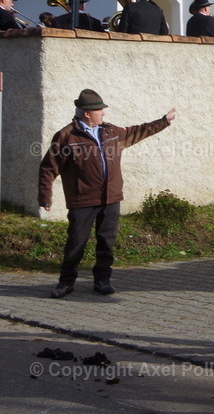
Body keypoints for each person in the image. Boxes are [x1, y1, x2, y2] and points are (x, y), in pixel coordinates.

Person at [38, 89, 176, 298]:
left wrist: (163, 121)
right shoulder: (67, 136)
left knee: (106, 243)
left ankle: (102, 280)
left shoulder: (111, 132)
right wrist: (45, 197)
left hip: (111, 199)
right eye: (99, 110)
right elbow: (48, 167)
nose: (103, 113)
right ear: (86, 113)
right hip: (82, 200)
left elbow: (137, 131)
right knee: (76, 243)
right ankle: (66, 282)